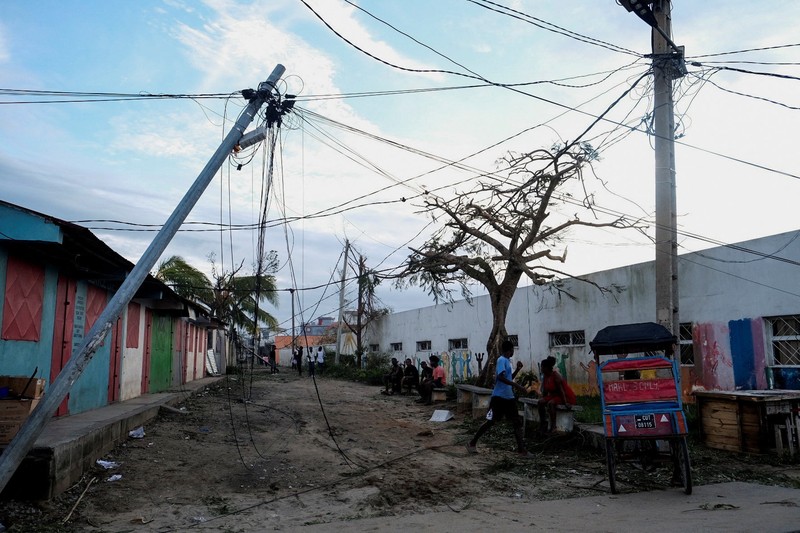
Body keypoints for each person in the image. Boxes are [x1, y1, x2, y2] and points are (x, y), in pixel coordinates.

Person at [466, 340, 534, 458]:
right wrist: (517, 386)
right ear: (509, 350)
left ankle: (522, 450)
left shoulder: (507, 361)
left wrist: (517, 370)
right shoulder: (501, 360)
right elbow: (500, 378)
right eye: (512, 350)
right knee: (491, 421)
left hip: (508, 397)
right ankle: (472, 443)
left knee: (516, 422)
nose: (513, 352)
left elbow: (508, 378)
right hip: (499, 397)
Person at [537, 355, 577, 435]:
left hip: (565, 396)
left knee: (551, 403)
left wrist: (565, 402)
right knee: (540, 402)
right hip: (554, 395)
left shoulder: (556, 376)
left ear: (546, 368)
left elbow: (561, 391)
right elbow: (545, 391)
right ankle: (543, 423)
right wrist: (543, 398)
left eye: (542, 367)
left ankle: (553, 426)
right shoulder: (545, 376)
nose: (541, 369)